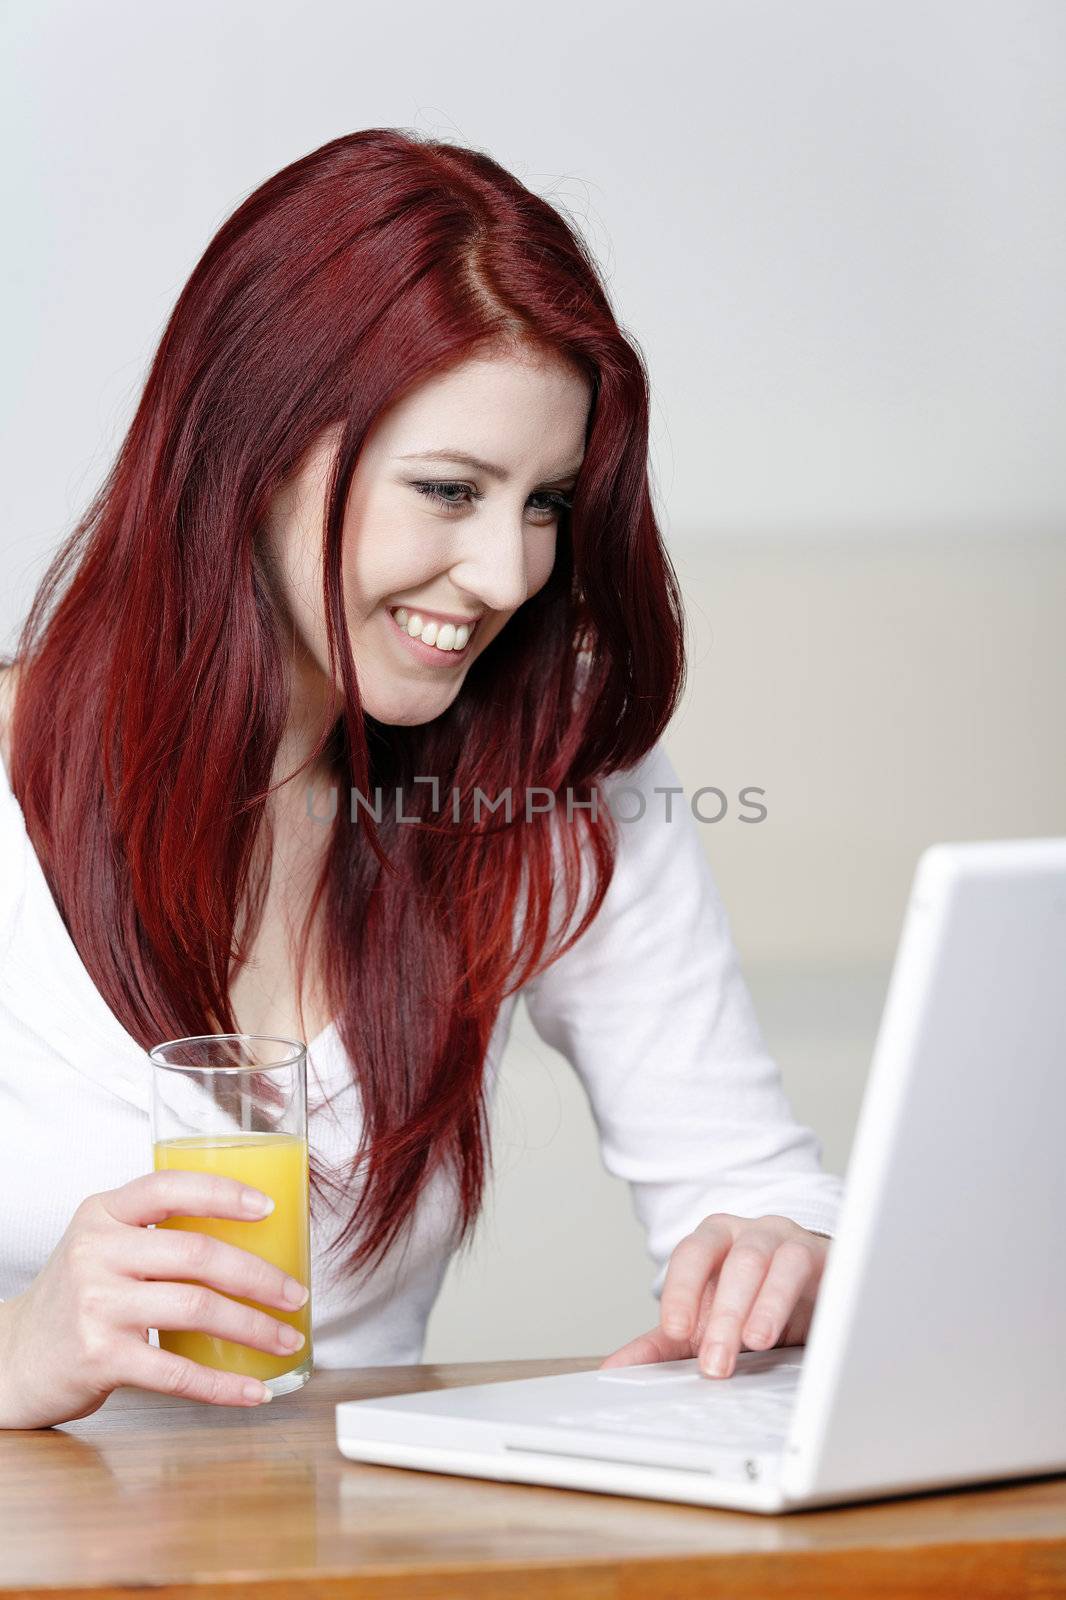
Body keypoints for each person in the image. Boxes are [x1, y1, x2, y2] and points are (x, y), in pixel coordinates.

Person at [0, 128, 842, 1430]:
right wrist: (18, 1350)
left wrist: (789, 1259)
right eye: (448, 490)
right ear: (252, 451)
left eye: (546, 504)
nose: (509, 576)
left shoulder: (548, 774)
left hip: (361, 1556)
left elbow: (750, 1182)